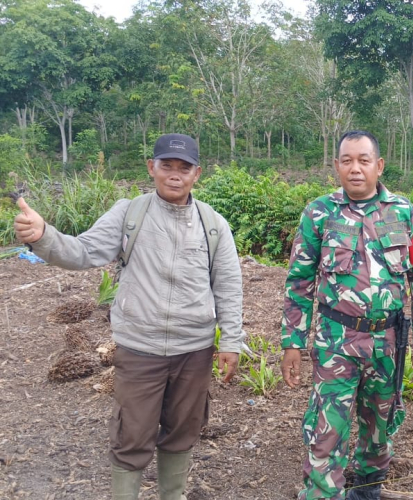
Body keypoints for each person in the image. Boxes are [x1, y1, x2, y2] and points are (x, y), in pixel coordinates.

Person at [13, 133, 243, 500]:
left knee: (184, 429)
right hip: (140, 348)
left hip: (194, 349)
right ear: (151, 168)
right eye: (166, 165)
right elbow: (83, 251)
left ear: (197, 174)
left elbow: (228, 287)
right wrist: (44, 236)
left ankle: (174, 494)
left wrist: (231, 340)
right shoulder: (129, 213)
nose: (175, 174)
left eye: (184, 168)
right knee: (131, 434)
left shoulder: (213, 224)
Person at [281, 130, 413, 500]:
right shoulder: (319, 212)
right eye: (347, 161)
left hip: (388, 342)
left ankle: (367, 492)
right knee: (326, 431)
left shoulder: (403, 211)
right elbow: (299, 282)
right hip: (336, 341)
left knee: (379, 430)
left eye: (363, 160)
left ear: (379, 166)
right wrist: (292, 342)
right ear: (336, 166)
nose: (355, 168)